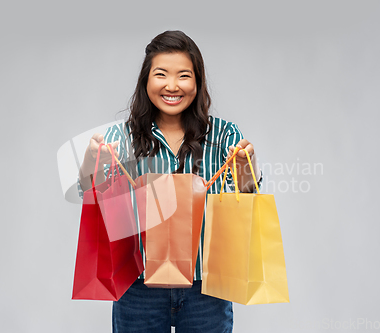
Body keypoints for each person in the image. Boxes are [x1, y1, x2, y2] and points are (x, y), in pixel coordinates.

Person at [77, 30, 262, 333]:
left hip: (207, 286)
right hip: (138, 286)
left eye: (184, 76)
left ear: (197, 82)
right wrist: (92, 162)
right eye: (161, 74)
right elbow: (92, 192)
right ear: (146, 81)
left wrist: (246, 165)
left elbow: (246, 192)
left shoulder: (224, 135)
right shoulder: (120, 136)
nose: (172, 86)